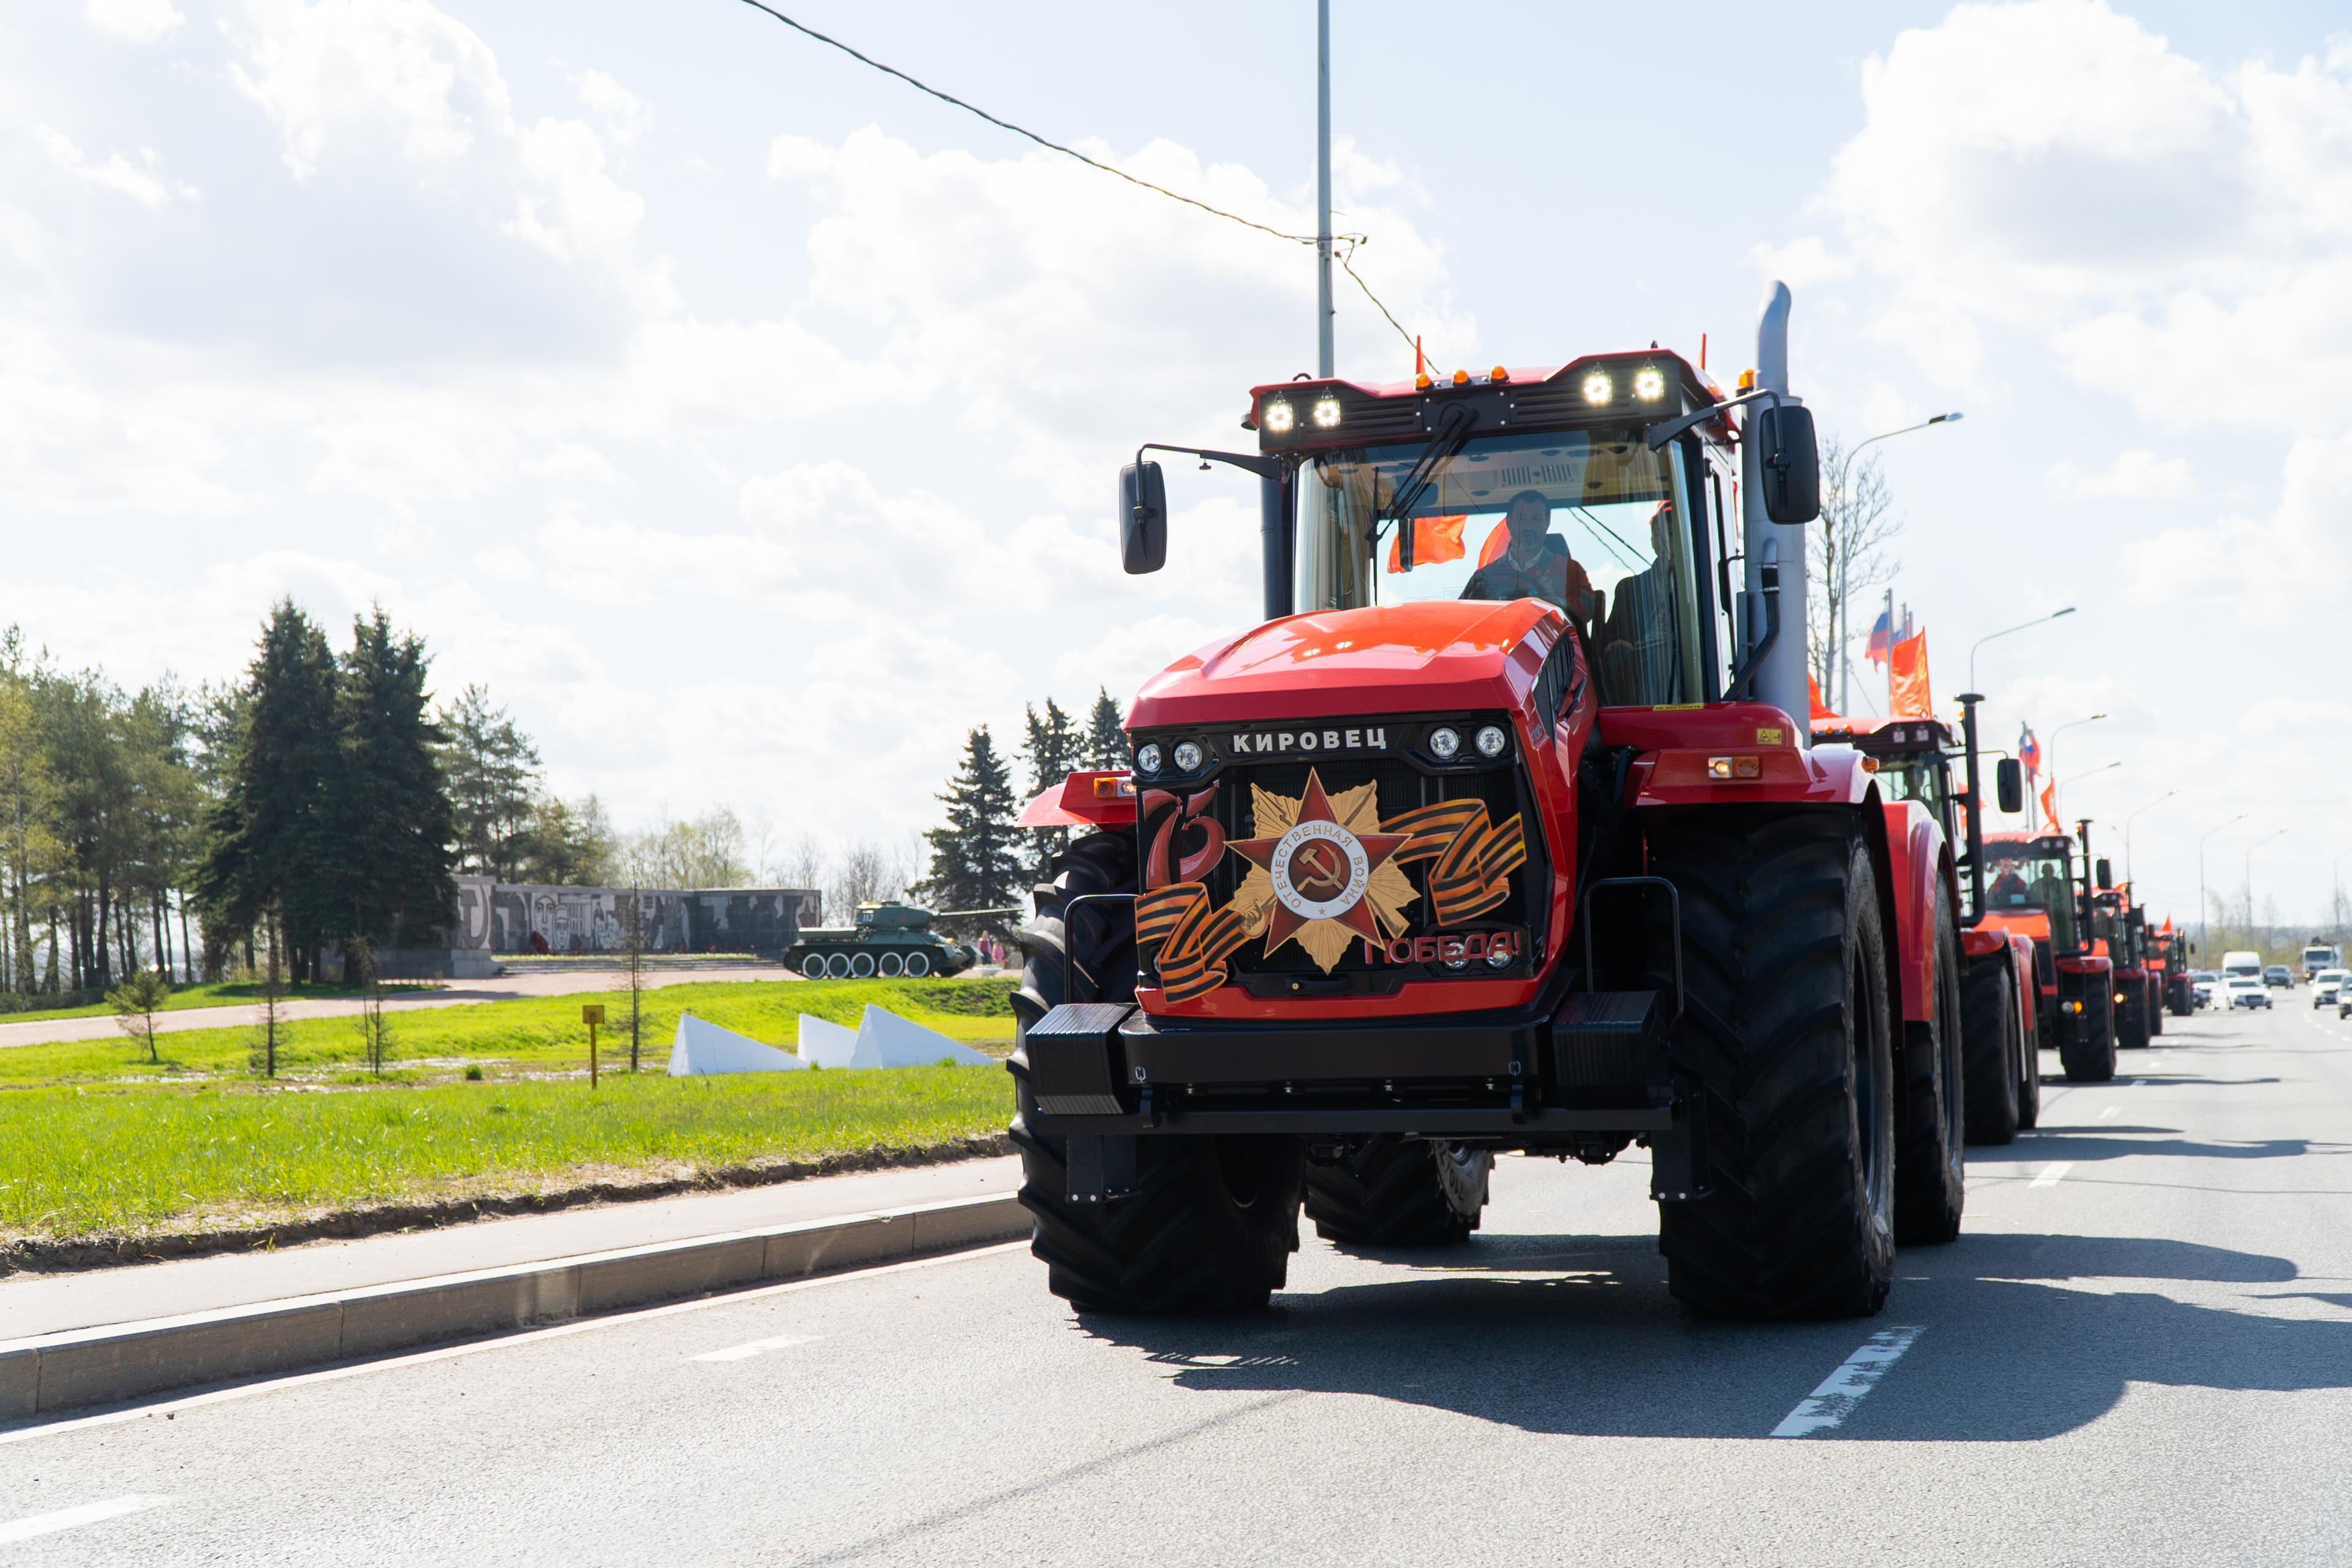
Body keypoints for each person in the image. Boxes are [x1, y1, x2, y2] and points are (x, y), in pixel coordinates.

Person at [1461, 490, 1597, 639]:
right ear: (1509, 522)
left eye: (1536, 519)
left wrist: (1554, 600)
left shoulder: (1569, 571)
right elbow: (1463, 620)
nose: (1529, 527)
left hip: (1555, 654)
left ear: (1547, 522)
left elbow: (1585, 614)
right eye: (1522, 519)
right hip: (1497, 653)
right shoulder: (1484, 578)